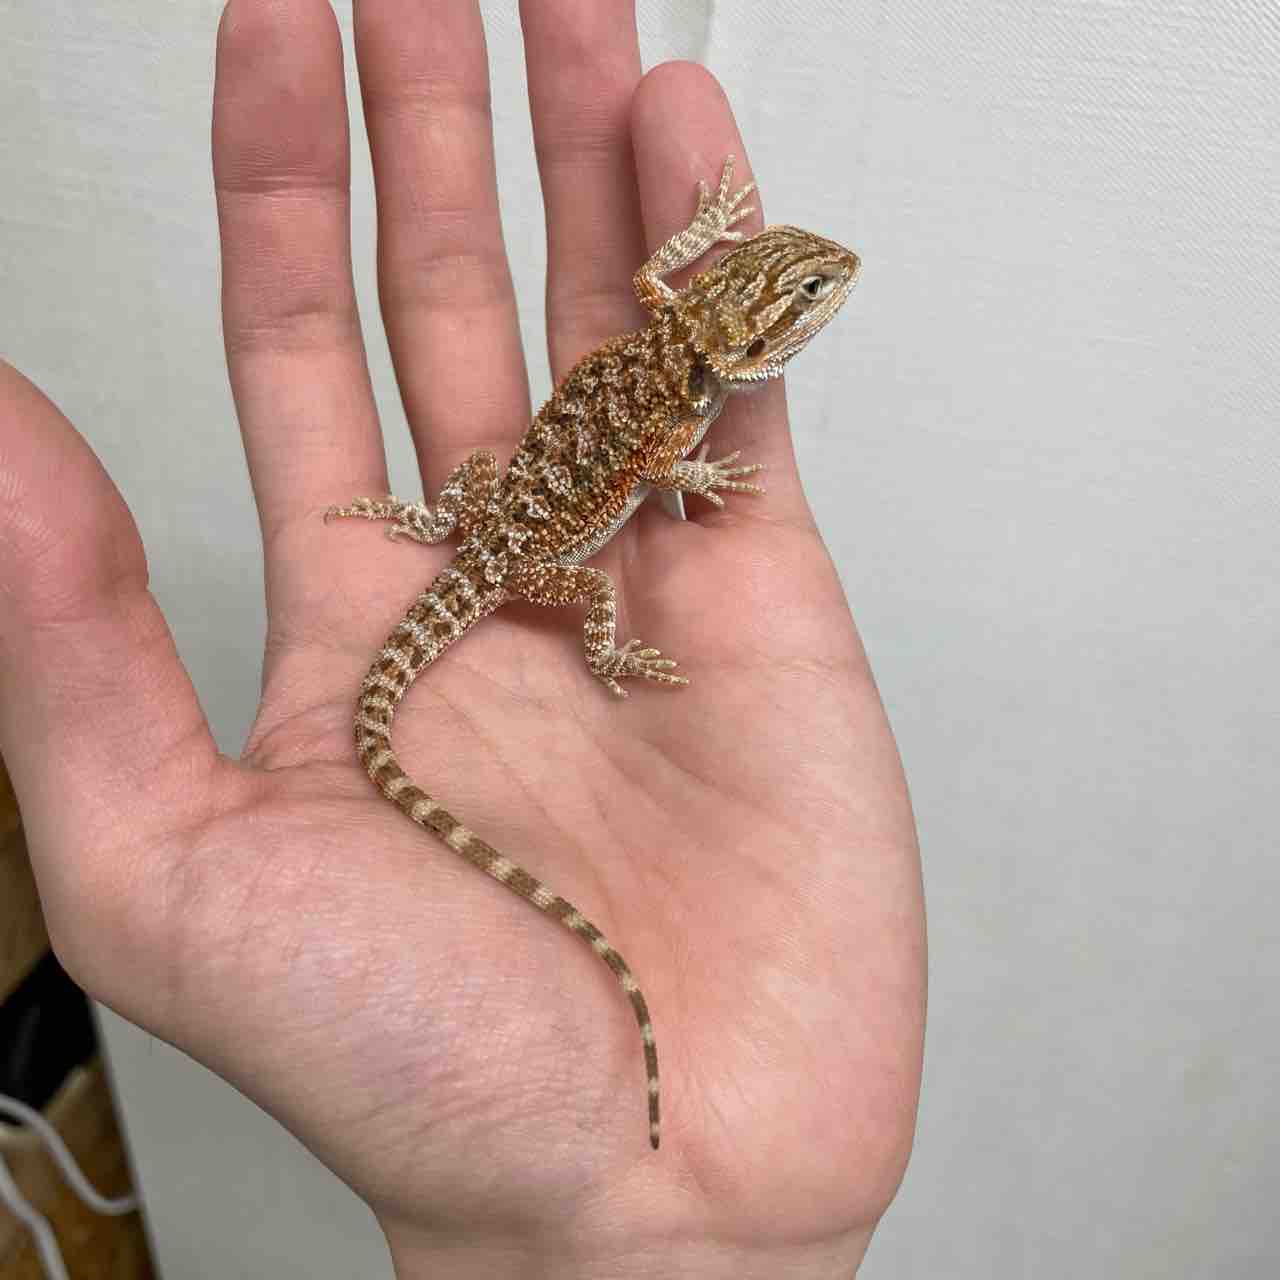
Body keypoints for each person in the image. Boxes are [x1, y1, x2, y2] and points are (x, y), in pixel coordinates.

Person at [0, 0, 924, 1273]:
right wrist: (674, 508)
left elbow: (654, 309)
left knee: (505, 516)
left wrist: (696, 274)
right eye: (803, 291)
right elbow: (658, 460)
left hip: (489, 519)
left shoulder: (668, 330)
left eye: (804, 286)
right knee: (591, 596)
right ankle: (579, 634)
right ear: (753, 329)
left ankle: (441, 519)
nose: (822, 293)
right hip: (523, 560)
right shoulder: (673, 392)